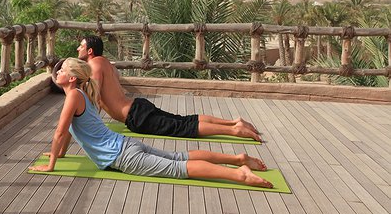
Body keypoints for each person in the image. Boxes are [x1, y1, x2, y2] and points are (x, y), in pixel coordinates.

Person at [31, 58, 272, 188]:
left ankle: (240, 174)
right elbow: (72, 132)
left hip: (123, 156)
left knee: (179, 168)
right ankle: (237, 159)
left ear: (72, 78)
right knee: (179, 157)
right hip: (126, 145)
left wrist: (51, 164)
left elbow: (61, 132)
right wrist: (59, 155)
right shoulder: (81, 95)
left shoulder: (73, 96)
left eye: (61, 70)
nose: (58, 72)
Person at [77, 35, 262, 141]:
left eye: (81, 46)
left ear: (90, 51)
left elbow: (95, 98)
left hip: (136, 117)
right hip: (138, 107)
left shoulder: (94, 67)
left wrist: (89, 126)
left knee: (182, 127)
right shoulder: (107, 63)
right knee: (184, 120)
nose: (78, 49)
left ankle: (234, 130)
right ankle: (233, 122)